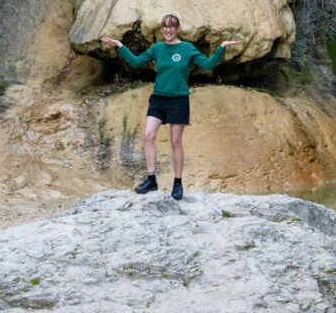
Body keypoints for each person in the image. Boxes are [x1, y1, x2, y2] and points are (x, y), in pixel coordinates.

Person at [101, 14, 242, 200]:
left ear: (178, 29)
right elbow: (136, 62)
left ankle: (177, 183)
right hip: (158, 99)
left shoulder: (187, 48)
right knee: (148, 135)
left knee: (176, 142)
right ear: (162, 30)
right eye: (165, 27)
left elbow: (208, 64)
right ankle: (151, 181)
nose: (168, 30)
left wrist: (221, 48)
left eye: (172, 26)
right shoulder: (157, 48)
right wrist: (120, 46)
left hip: (179, 100)